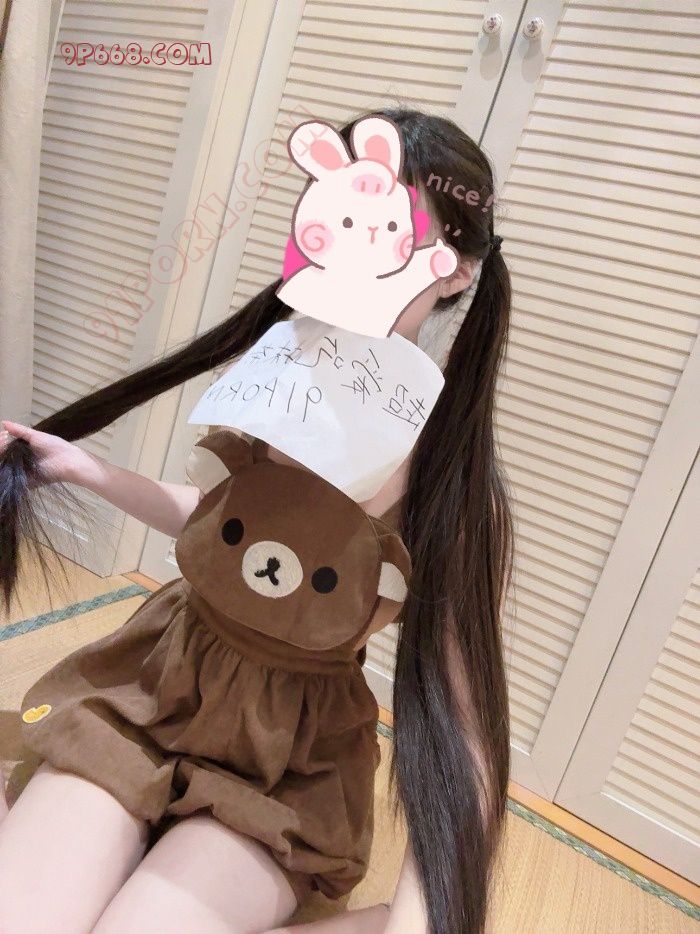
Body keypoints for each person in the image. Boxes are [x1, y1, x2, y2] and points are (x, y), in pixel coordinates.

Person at [0, 107, 514, 934]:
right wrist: (86, 469)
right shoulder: (277, 368)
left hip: (288, 756)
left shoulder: (449, 478)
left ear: (454, 272)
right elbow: (219, 530)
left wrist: (425, 920)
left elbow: (467, 737)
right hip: (157, 684)